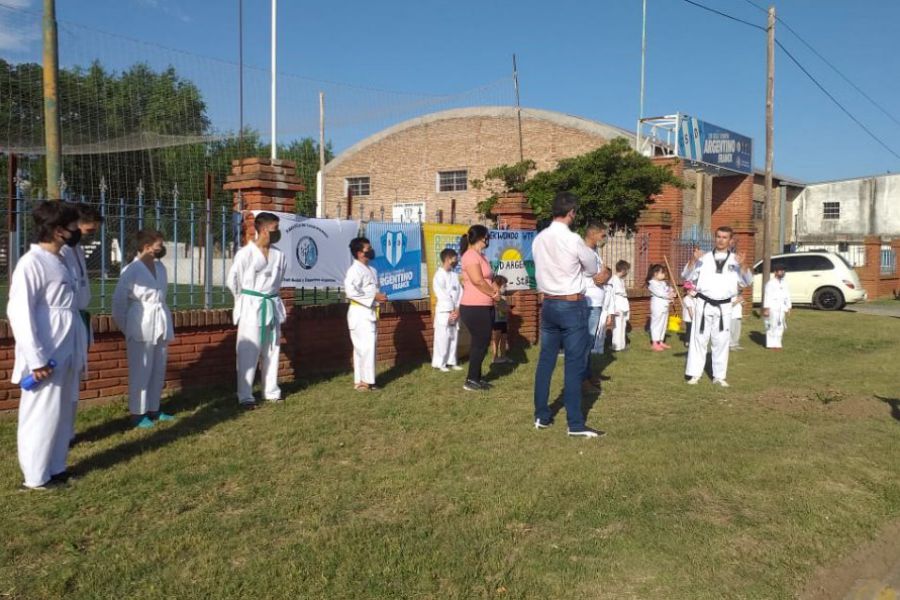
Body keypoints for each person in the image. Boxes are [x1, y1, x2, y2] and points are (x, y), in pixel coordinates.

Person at [9, 202, 87, 489]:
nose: (77, 231)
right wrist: (37, 359)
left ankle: (56, 466)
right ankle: (34, 476)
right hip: (46, 351)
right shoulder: (32, 263)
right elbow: (19, 312)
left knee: (62, 410)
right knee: (40, 413)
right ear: (58, 230)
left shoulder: (63, 259)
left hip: (67, 346)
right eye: (73, 226)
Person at [532, 192, 603, 438]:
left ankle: (541, 415)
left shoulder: (539, 239)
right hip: (571, 304)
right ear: (571, 212)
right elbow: (593, 268)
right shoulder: (573, 240)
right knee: (573, 365)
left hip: (549, 304)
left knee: (545, 361)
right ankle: (575, 423)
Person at [112, 229, 175, 428]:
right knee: (141, 369)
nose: (162, 248)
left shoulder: (161, 268)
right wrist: (127, 328)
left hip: (160, 319)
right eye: (159, 244)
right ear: (147, 247)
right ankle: (138, 413)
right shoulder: (131, 270)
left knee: (158, 367)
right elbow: (118, 303)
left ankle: (154, 408)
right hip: (140, 322)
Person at [227, 212, 287, 409]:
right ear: (262, 229)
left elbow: (278, 281)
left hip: (271, 304)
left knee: (272, 350)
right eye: (274, 229)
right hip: (251, 306)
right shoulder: (245, 253)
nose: (277, 232)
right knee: (248, 351)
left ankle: (271, 391)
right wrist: (244, 299)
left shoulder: (279, 255)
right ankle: (245, 395)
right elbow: (233, 280)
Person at [683, 227, 752, 387]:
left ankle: (719, 376)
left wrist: (743, 265)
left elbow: (747, 281)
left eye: (725, 237)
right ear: (715, 238)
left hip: (724, 306)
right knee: (698, 339)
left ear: (731, 240)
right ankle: (695, 374)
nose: (721, 240)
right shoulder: (704, 258)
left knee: (721, 340)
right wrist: (693, 260)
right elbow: (686, 276)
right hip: (703, 303)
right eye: (719, 236)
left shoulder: (736, 260)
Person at [59, 203, 103, 444]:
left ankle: (68, 431)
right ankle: (59, 431)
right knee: (63, 381)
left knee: (73, 378)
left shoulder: (76, 250)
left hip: (78, 318)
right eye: (88, 230)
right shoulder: (62, 252)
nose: (89, 235)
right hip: (64, 320)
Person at [458, 225, 499, 392]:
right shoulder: (469, 256)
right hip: (474, 306)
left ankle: (475, 377)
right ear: (482, 237)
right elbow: (478, 281)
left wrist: (495, 290)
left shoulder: (482, 256)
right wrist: (494, 294)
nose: (488, 239)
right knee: (480, 343)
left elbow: (490, 278)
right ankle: (471, 379)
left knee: (480, 342)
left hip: (485, 305)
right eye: (487, 236)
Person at [344, 237, 388, 391]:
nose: (370, 251)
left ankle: (364, 380)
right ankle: (365, 381)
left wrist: (379, 297)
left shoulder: (372, 269)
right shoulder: (353, 270)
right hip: (359, 313)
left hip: (370, 312)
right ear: (359, 253)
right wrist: (374, 297)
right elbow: (350, 292)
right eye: (367, 249)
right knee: (365, 347)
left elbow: (372, 291)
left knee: (368, 347)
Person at [431, 248, 462, 372]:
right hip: (444, 310)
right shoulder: (438, 275)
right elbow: (441, 294)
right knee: (442, 337)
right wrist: (450, 310)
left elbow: (460, 293)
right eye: (455, 259)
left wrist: (457, 309)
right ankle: (439, 363)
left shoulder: (455, 276)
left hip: (454, 310)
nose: (456, 261)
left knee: (453, 336)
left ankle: (451, 361)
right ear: (448, 259)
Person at [583, 266, 614, 388]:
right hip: (588, 306)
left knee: (589, 343)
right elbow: (593, 277)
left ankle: (588, 374)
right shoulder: (583, 254)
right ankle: (582, 378)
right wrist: (598, 278)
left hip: (597, 307)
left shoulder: (595, 255)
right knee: (585, 343)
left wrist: (607, 275)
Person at [646, 264, 675, 351]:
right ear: (655, 273)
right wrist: (669, 295)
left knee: (663, 324)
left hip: (665, 306)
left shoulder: (663, 283)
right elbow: (660, 293)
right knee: (656, 324)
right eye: (662, 273)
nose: (664, 275)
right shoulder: (652, 284)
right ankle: (655, 342)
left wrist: (672, 291)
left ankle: (661, 341)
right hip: (657, 306)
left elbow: (667, 289)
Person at [764, 263, 792, 350]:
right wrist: (767, 309)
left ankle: (778, 343)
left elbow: (787, 295)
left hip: (781, 307)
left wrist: (789, 306)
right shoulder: (770, 283)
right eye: (780, 271)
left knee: (780, 326)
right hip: (773, 307)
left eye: (783, 271)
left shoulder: (784, 283)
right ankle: (771, 344)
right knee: (772, 325)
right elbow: (767, 296)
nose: (782, 272)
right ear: (775, 272)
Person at [490, 275, 513, 365]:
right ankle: (495, 357)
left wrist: (506, 308)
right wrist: (505, 308)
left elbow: (506, 308)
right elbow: (500, 307)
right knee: (496, 339)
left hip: (503, 320)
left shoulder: (503, 297)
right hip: (496, 320)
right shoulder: (495, 296)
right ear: (498, 285)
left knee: (503, 339)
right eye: (504, 285)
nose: (505, 287)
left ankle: (503, 356)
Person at [609, 260, 631, 352]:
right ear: (622, 270)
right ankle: (616, 346)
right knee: (617, 326)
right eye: (626, 270)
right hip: (617, 305)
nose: (627, 272)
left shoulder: (621, 280)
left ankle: (622, 345)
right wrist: (614, 308)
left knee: (623, 325)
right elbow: (611, 295)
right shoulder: (613, 280)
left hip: (623, 304)